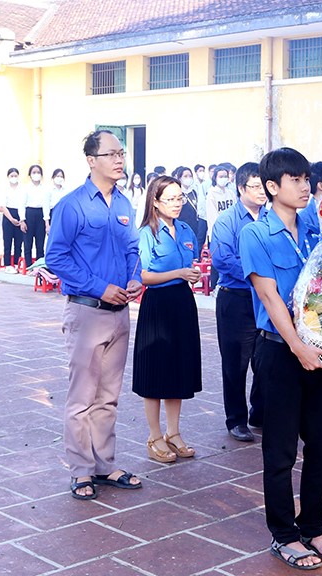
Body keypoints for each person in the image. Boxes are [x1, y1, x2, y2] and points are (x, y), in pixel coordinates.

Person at [240, 147, 322, 569]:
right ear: (272, 187)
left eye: (307, 178)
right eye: (295, 179)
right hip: (279, 351)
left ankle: (313, 526)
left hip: (321, 352)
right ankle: (284, 534)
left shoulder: (315, 228)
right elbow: (270, 297)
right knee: (280, 451)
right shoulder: (255, 234)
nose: (305, 186)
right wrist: (298, 347)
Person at [45, 129, 144, 500]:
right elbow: (56, 257)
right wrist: (99, 287)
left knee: (109, 395)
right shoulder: (72, 205)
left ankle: (105, 464)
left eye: (122, 153)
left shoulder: (123, 204)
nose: (120, 160)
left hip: (120, 312)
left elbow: (133, 248)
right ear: (91, 160)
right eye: (112, 154)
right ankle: (81, 470)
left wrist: (134, 278)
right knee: (82, 396)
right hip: (87, 312)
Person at [132, 176, 203, 463]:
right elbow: (144, 275)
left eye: (180, 198)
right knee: (156, 371)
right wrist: (178, 274)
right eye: (170, 199)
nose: (177, 204)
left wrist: (190, 274)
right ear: (155, 202)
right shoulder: (147, 233)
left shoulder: (187, 229)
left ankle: (174, 433)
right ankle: (154, 436)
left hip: (183, 304)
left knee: (178, 368)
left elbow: (191, 263)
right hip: (157, 305)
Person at [211, 162, 267, 443]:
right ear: (241, 188)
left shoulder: (270, 218)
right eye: (255, 187)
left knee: (265, 359)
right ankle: (236, 419)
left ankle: (259, 412)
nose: (261, 192)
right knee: (235, 363)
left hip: (267, 300)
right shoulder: (227, 221)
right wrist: (258, 276)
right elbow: (223, 260)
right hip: (237, 299)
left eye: (263, 186)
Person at [173, 165, 208, 244]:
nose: (188, 178)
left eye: (190, 176)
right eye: (185, 176)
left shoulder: (193, 192)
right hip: (180, 226)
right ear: (179, 178)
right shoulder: (177, 192)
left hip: (194, 226)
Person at [23, 164, 48, 267]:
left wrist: (46, 219)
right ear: (30, 174)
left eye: (38, 172)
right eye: (34, 172)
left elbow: (46, 204)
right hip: (29, 213)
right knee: (28, 243)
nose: (36, 174)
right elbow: (22, 204)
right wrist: (22, 220)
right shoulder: (25, 188)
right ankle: (28, 266)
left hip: (40, 213)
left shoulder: (45, 188)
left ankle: (39, 266)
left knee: (40, 242)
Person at [0, 167, 25, 270]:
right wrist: (11, 219)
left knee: (19, 242)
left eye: (15, 176)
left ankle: (17, 263)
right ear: (8, 177)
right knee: (7, 241)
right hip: (8, 215)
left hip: (20, 214)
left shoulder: (23, 189)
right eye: (12, 176)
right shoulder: (4, 189)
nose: (14, 178)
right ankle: (7, 264)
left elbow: (23, 203)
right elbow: (2, 206)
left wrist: (21, 219)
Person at [206, 165, 236, 237]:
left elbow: (235, 211)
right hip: (218, 232)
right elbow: (212, 217)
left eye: (225, 176)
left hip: (231, 230)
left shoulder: (231, 193)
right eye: (221, 177)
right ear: (215, 178)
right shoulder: (211, 194)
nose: (223, 179)